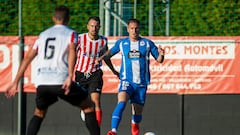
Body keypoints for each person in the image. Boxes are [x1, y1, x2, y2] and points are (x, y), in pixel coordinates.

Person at [5, 5, 100, 135]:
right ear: (68, 19)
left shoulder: (43, 35)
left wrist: (15, 81)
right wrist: (70, 76)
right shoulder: (71, 33)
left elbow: (27, 58)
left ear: (53, 18)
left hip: (42, 82)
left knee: (39, 112)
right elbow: (73, 51)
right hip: (60, 80)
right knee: (89, 106)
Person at [96, 18, 165, 135]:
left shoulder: (147, 43)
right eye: (132, 28)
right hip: (126, 81)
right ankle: (113, 131)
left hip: (141, 84)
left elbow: (159, 60)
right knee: (121, 102)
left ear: (139, 29)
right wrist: (101, 57)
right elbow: (110, 53)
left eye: (136, 28)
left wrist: (162, 55)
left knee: (137, 115)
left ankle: (135, 129)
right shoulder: (122, 43)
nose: (134, 31)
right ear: (128, 29)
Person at [74, 16, 119, 127]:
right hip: (81, 74)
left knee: (96, 102)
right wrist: (69, 71)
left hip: (95, 74)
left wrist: (113, 70)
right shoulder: (80, 39)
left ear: (99, 27)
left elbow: (106, 57)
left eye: (96, 26)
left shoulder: (103, 41)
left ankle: (96, 128)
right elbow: (73, 55)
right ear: (87, 26)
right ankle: (86, 109)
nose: (94, 28)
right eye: (92, 26)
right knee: (83, 103)